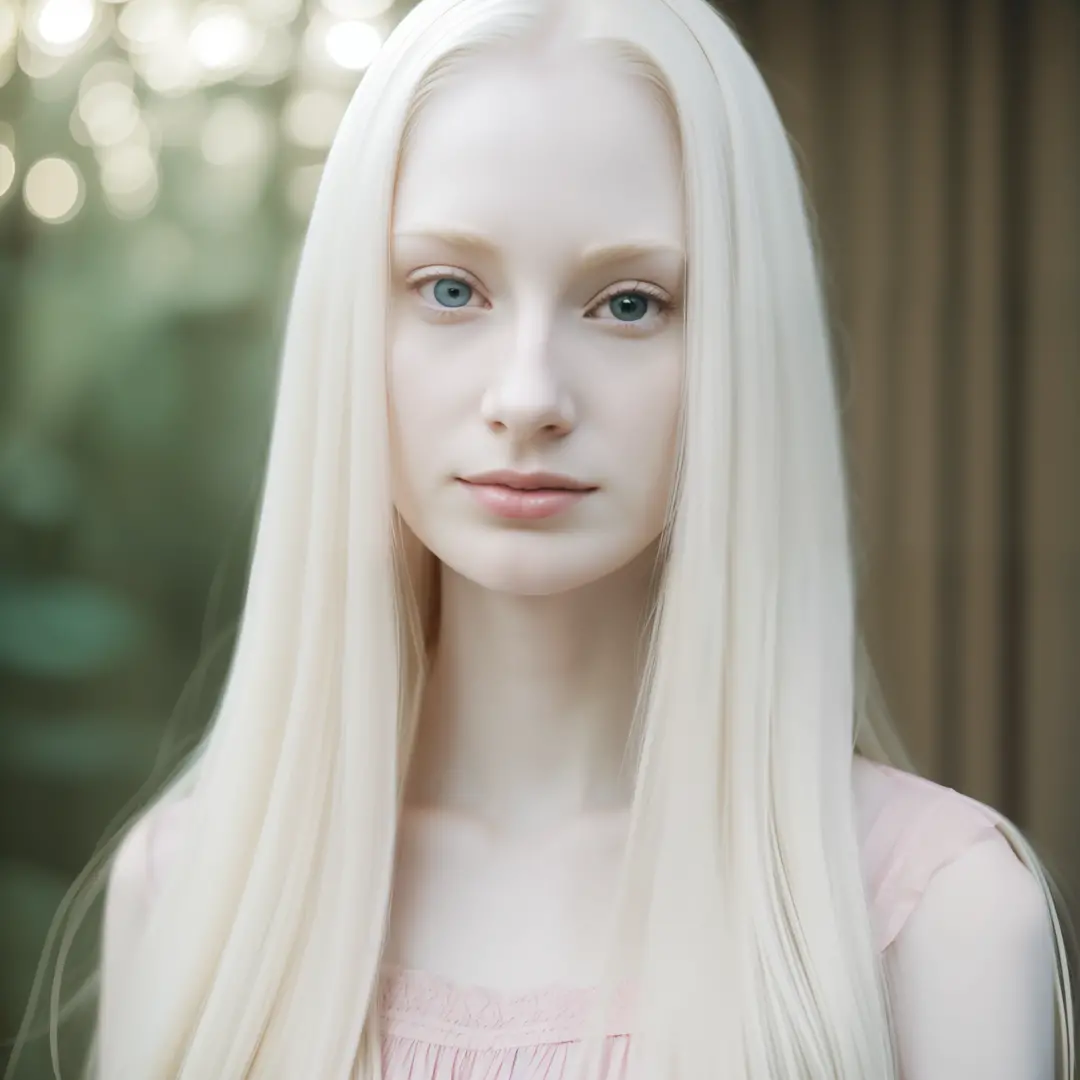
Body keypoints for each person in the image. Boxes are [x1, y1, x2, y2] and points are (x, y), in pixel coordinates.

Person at [9, 0, 1072, 1078]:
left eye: (627, 304)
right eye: (451, 290)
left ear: (743, 343)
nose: (528, 397)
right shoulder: (192, 895)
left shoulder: (938, 918)